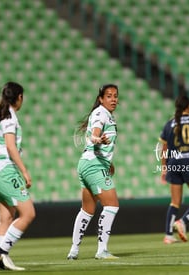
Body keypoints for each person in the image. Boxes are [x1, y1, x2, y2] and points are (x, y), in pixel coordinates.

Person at [0, 82, 35, 271]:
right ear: (20, 97)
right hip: (5, 170)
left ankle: (1, 264)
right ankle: (2, 250)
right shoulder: (9, 116)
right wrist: (24, 171)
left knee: (6, 217)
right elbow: (10, 146)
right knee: (28, 213)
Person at [67, 84, 119, 260]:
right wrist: (98, 140)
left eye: (115, 96)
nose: (113, 99)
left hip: (88, 163)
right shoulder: (101, 113)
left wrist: (108, 163)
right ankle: (102, 250)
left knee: (87, 210)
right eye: (109, 96)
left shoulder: (105, 115)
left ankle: (74, 250)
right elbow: (94, 135)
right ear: (101, 99)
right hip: (94, 164)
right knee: (111, 205)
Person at [159, 94, 189, 244]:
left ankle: (168, 235)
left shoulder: (169, 124)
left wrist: (163, 168)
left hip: (173, 163)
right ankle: (183, 221)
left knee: (175, 202)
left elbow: (164, 148)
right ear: (188, 106)